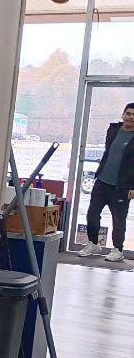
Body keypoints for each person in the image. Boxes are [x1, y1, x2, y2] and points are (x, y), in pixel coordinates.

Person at [79, 101, 134, 263]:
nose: (130, 118)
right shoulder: (114, 130)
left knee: (118, 219)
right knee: (92, 213)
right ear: (123, 114)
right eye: (128, 114)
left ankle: (118, 249)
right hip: (102, 181)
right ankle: (93, 243)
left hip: (121, 187)